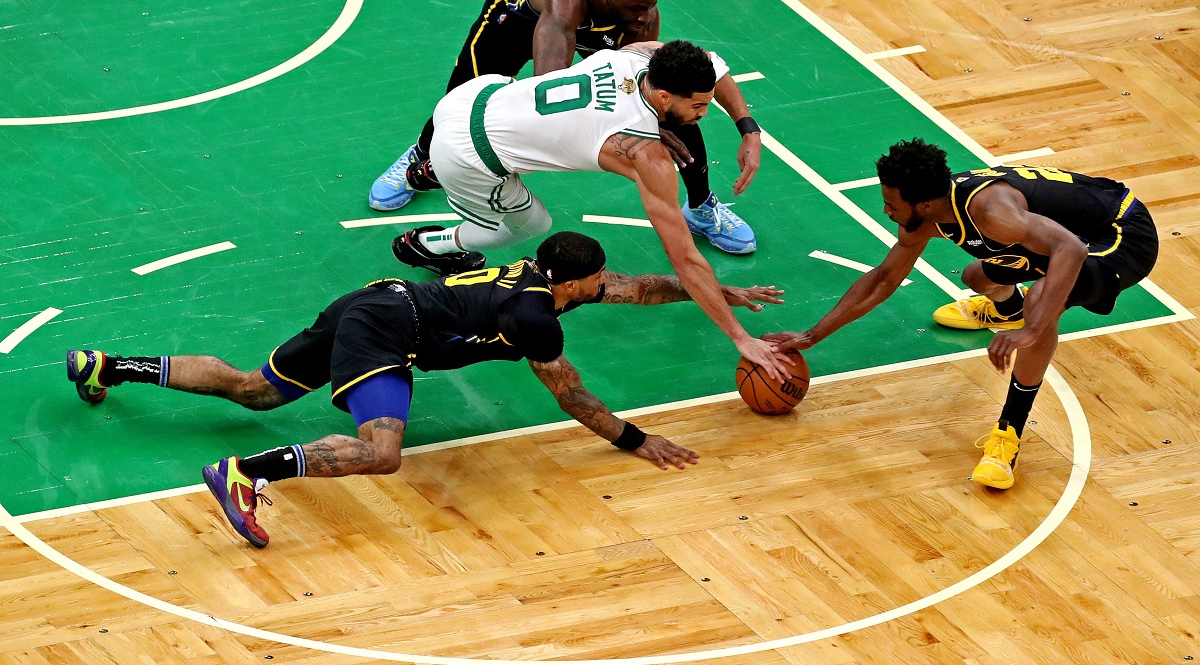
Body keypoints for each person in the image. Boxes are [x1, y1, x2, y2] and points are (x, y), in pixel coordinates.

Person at [66, 231, 784, 548]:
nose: (608, 288)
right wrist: (637, 439)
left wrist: (720, 293)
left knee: (255, 390)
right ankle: (244, 474)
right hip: (390, 332)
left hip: (372, 300)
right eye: (598, 283)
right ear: (573, 282)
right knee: (382, 453)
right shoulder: (536, 318)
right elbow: (574, 398)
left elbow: (643, 287)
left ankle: (107, 364)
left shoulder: (549, 280)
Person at [764, 139, 1158, 490]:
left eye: (891, 203)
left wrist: (1032, 330)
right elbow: (884, 279)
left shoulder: (991, 211)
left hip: (1121, 233)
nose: (885, 210)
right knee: (976, 275)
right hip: (1056, 234)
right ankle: (1006, 310)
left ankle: (1007, 438)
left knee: (1041, 301)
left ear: (924, 204)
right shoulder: (928, 215)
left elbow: (1069, 251)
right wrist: (813, 335)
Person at [391, 39, 788, 379]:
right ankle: (430, 243)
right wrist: (741, 337)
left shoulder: (642, 57)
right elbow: (684, 258)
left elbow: (710, 63)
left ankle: (431, 169)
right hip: (468, 155)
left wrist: (749, 129)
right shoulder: (645, 155)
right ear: (665, 97)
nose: (702, 115)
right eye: (699, 107)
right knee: (527, 225)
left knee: (516, 116)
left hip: (473, 96)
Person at [368, 0, 762, 254]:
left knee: (676, 110)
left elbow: (660, 91)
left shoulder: (638, 14)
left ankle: (702, 206)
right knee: (462, 92)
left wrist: (665, 124)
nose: (646, 18)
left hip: (588, 22)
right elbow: (547, 92)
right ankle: (421, 156)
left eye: (651, 5)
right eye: (638, 8)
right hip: (517, 17)